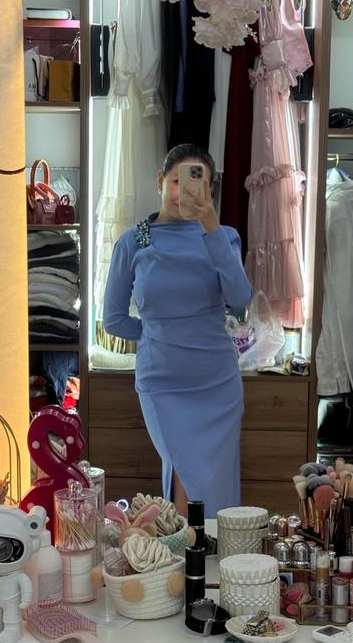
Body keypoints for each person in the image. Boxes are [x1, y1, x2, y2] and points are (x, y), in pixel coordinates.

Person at [103, 144, 253, 518]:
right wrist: (156, 333)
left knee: (216, 484)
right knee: (184, 475)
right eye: (176, 182)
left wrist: (211, 227)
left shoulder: (224, 236)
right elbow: (113, 318)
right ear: (160, 181)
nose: (181, 193)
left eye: (196, 184)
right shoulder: (134, 240)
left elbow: (239, 298)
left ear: (209, 190)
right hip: (163, 384)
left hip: (217, 384)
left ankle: (212, 553)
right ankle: (188, 553)